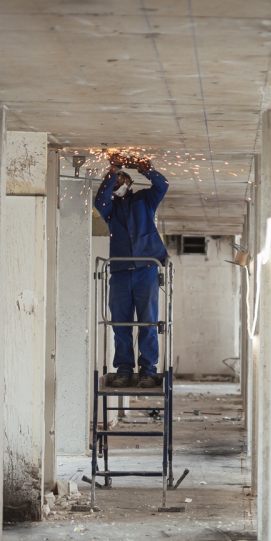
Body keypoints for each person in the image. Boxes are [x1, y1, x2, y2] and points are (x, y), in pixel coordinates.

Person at [94, 154, 170, 388]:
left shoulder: (145, 200)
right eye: (114, 182)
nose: (116, 185)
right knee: (121, 323)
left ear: (129, 182)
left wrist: (146, 169)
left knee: (147, 323)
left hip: (146, 269)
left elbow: (162, 185)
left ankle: (148, 371)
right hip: (119, 272)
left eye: (120, 180)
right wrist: (113, 171)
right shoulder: (110, 209)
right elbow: (100, 200)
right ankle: (124, 370)